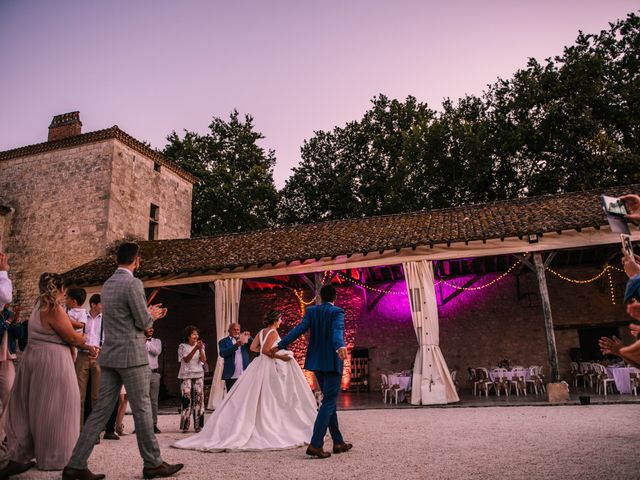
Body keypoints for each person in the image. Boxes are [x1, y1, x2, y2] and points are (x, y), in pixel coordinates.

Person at [62, 242, 183, 480]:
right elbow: (141, 321)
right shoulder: (134, 283)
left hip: (110, 355)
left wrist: (144, 316)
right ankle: (153, 463)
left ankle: (75, 464)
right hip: (131, 355)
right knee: (142, 408)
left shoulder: (107, 285)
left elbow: (122, 319)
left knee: (99, 412)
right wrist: (153, 315)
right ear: (136, 260)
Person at [172, 310, 317, 452]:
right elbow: (265, 351)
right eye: (280, 319)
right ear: (275, 319)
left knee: (257, 397)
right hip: (269, 367)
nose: (281, 321)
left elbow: (254, 348)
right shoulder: (272, 332)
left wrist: (265, 349)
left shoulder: (261, 332)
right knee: (272, 396)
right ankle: (273, 424)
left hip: (259, 365)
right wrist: (281, 356)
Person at [0, 273, 85, 477]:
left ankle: (21, 454)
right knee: (58, 407)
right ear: (60, 289)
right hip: (53, 361)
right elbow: (71, 337)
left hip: (33, 357)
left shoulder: (39, 306)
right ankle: (56, 457)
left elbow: (60, 326)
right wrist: (84, 340)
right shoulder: (54, 309)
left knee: (32, 406)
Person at [275, 284, 352, 459]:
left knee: (328, 402)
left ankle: (338, 442)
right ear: (335, 298)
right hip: (332, 362)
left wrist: (280, 344)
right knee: (329, 402)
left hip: (317, 362)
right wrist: (340, 345)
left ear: (320, 297)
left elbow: (298, 329)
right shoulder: (337, 312)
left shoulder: (312, 311)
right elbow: (337, 331)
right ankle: (316, 444)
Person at [73, 292, 103, 425]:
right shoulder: (82, 318)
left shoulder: (105, 320)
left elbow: (108, 340)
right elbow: (75, 338)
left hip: (99, 358)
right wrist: (87, 347)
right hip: (82, 356)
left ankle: (94, 432)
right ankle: (77, 431)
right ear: (93, 304)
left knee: (96, 396)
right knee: (79, 396)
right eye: (102, 303)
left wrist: (100, 349)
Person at [178, 326, 206, 433]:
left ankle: (198, 425)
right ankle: (185, 425)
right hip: (186, 375)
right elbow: (186, 359)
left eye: (197, 334)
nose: (196, 336)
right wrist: (195, 348)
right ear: (188, 336)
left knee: (199, 400)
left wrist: (201, 349)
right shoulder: (182, 346)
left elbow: (203, 360)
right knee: (187, 400)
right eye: (194, 334)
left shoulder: (200, 346)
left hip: (198, 374)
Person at [218, 323, 252, 392]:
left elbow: (254, 346)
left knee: (245, 395)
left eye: (238, 330)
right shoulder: (223, 341)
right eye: (234, 330)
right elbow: (222, 353)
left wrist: (249, 337)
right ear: (229, 330)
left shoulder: (243, 339)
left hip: (244, 373)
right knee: (231, 397)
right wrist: (235, 346)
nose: (236, 331)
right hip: (231, 375)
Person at [145, 326, 162, 434]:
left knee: (153, 400)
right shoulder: (136, 341)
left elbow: (156, 352)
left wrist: (145, 342)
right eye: (148, 327)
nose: (151, 329)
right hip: (141, 372)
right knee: (142, 400)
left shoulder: (157, 341)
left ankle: (153, 424)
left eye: (152, 328)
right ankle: (142, 424)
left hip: (154, 372)